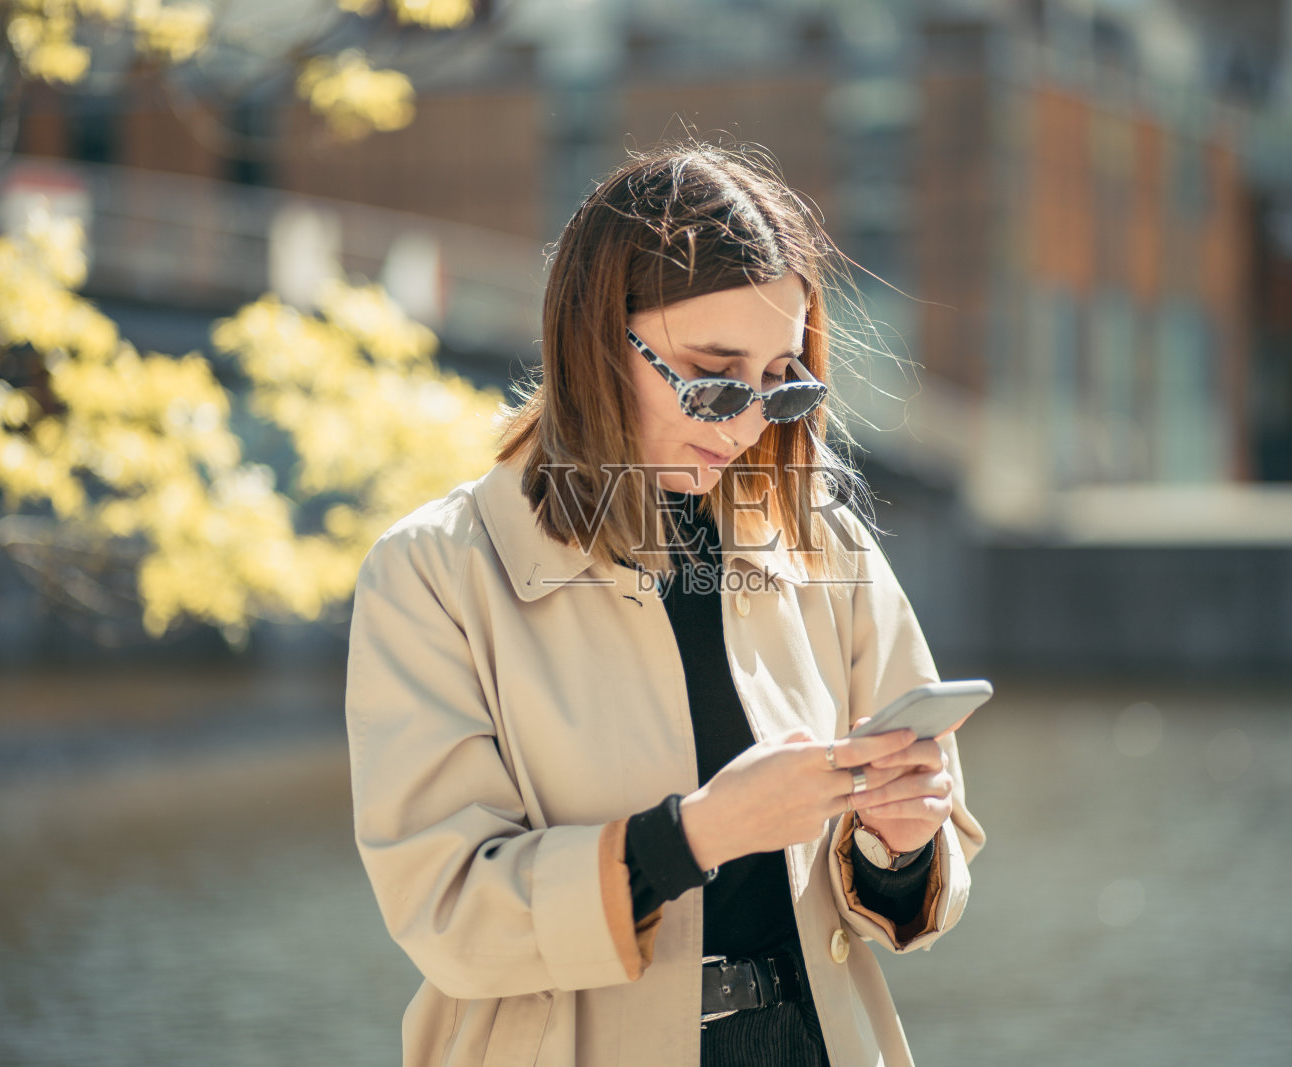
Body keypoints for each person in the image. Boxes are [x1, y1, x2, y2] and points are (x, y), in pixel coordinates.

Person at [344, 141, 986, 1067]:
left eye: (780, 382)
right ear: (594, 340)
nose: (746, 422)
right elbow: (448, 913)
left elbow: (931, 867)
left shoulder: (824, 544)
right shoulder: (433, 572)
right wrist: (697, 835)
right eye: (713, 378)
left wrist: (902, 842)